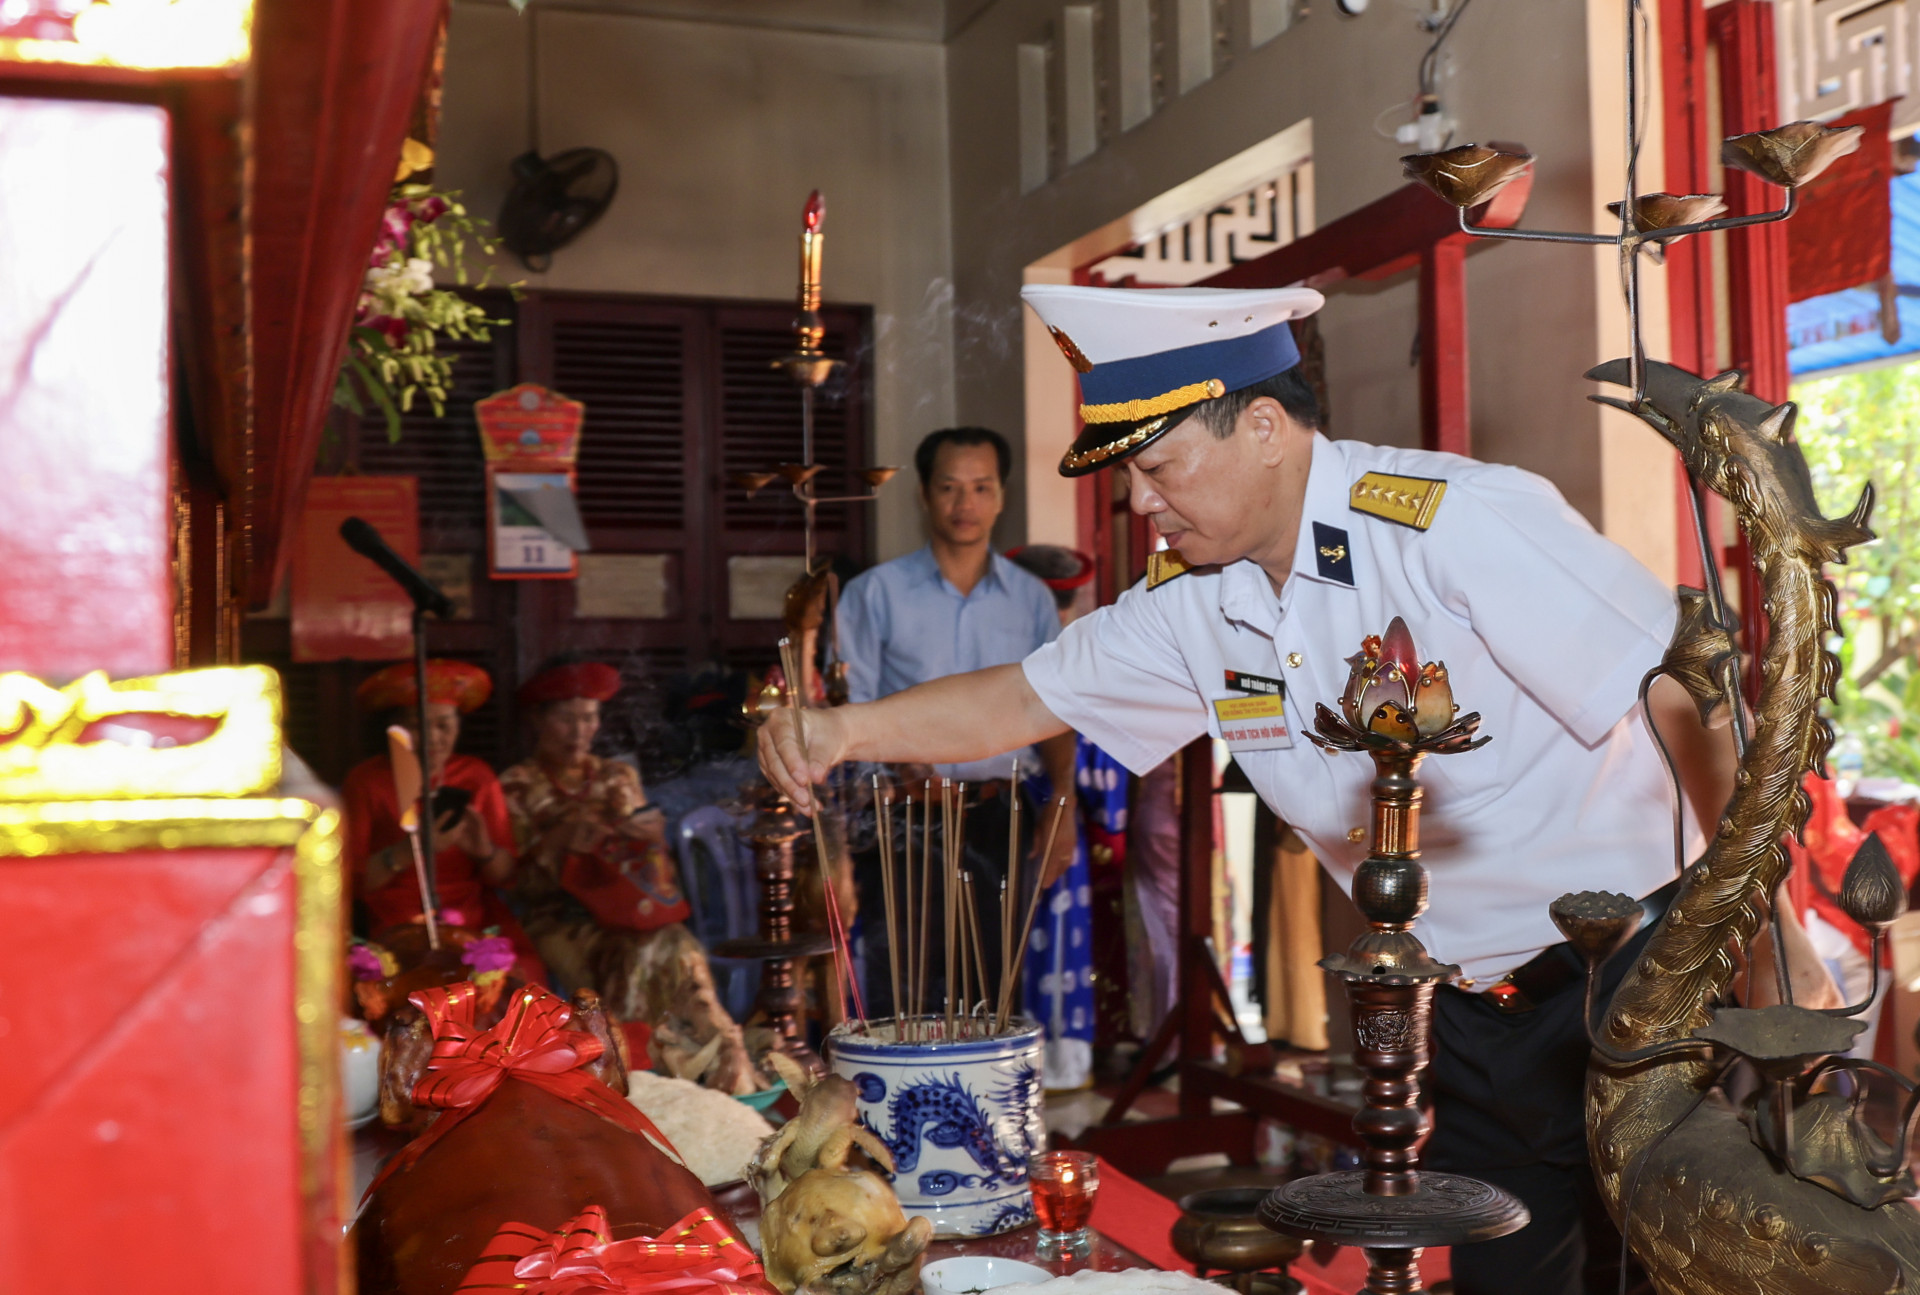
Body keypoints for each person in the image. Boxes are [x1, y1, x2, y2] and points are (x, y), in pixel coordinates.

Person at [760, 285, 1742, 1295]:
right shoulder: (1197, 598)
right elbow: (1023, 692)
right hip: (1459, 1009)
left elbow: (1686, 695)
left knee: (1678, 1267)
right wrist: (842, 729)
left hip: (1633, 978)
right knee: (1516, 1279)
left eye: (1158, 465)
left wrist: (1766, 925)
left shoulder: (1454, 525)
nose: (1142, 499)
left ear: (1263, 426)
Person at [835, 427, 1079, 1022]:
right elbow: (848, 711)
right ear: (923, 494)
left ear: (1001, 497)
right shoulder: (875, 595)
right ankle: (896, 1115)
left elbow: (1057, 711)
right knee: (903, 989)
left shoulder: (1030, 601)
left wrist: (1061, 812)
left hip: (999, 815)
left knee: (992, 986)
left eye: (980, 488)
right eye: (949, 487)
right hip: (902, 820)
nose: (964, 504)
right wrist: (890, 762)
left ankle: (986, 1115)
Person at [498, 659, 765, 1094]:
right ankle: (632, 1077)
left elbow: (649, 865)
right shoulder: (515, 785)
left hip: (630, 912)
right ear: (537, 720)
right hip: (559, 921)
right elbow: (516, 885)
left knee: (677, 944)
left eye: (588, 717)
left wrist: (647, 838)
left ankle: (712, 1061)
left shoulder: (617, 776)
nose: (579, 730)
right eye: (566, 718)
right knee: (640, 956)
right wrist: (561, 840)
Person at [341, 659, 545, 984]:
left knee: (520, 981)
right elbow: (349, 882)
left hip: (472, 915)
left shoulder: (476, 776)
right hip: (395, 919)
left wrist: (483, 852)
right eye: (419, 725)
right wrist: (413, 850)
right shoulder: (366, 781)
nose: (434, 738)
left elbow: (506, 876)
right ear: (395, 730)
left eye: (444, 725)